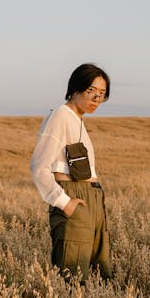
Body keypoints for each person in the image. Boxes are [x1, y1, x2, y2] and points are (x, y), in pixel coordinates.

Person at [30, 63, 112, 283]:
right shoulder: (60, 115)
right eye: (91, 91)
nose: (96, 99)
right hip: (75, 197)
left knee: (98, 274)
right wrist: (63, 202)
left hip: (92, 199)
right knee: (72, 277)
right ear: (75, 88)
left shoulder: (77, 120)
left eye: (102, 95)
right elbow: (39, 167)